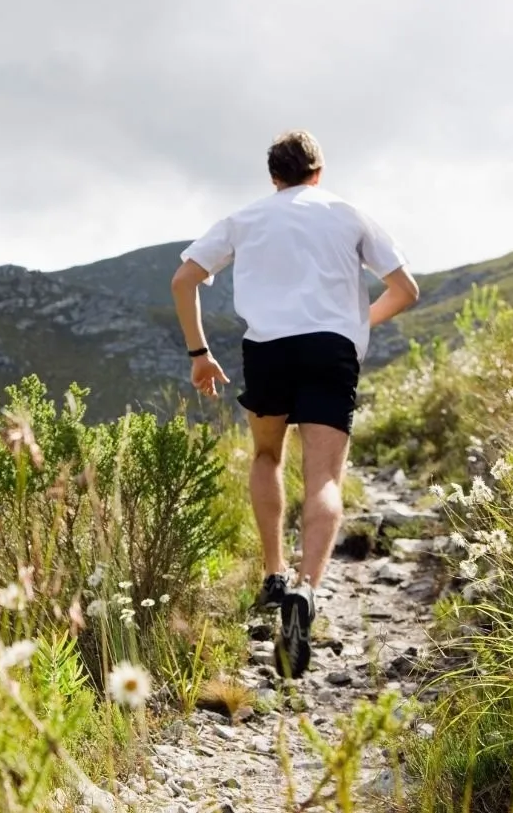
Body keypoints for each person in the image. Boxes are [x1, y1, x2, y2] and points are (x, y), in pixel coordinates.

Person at [169, 129, 420, 678]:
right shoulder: (349, 214)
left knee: (267, 457)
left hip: (268, 350)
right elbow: (406, 290)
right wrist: (355, 324)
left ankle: (274, 573)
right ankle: (308, 590)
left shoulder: (246, 218)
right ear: (318, 171)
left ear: (273, 177)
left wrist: (200, 354)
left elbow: (184, 278)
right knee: (325, 479)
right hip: (332, 350)